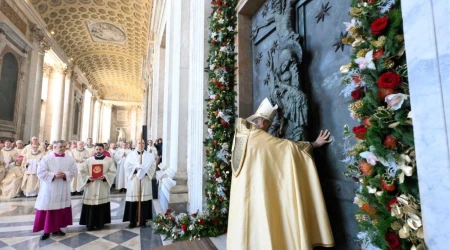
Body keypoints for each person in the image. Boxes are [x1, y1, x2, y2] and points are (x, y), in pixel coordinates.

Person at [227, 98, 334, 249]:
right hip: (256, 194)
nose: (269, 130)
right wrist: (315, 144)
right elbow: (287, 148)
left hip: (243, 196)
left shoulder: (241, 135)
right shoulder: (259, 138)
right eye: (269, 126)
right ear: (263, 122)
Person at [33, 140, 77, 240]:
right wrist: (53, 175)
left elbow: (74, 171)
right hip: (50, 187)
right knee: (48, 208)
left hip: (62, 186)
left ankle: (57, 228)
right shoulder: (47, 158)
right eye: (60, 146)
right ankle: (46, 230)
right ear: (54, 147)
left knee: (59, 208)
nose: (62, 148)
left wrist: (65, 174)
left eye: (64, 146)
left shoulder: (69, 159)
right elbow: (40, 172)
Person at [79, 143, 116, 230]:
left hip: (102, 184)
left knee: (101, 203)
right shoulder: (89, 160)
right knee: (91, 203)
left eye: (100, 149)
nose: (98, 151)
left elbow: (113, 172)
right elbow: (82, 171)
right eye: (97, 149)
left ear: (103, 149)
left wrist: (105, 177)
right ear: (94, 150)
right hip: (91, 184)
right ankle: (90, 223)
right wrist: (88, 177)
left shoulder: (109, 160)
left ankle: (100, 223)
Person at [123, 139, 156, 228]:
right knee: (133, 200)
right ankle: (132, 221)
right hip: (134, 180)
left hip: (145, 180)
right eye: (139, 143)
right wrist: (135, 169)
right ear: (136, 144)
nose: (141, 144)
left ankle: (143, 220)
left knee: (144, 200)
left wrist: (145, 171)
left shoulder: (149, 156)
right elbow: (126, 166)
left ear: (145, 144)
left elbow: (153, 166)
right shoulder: (130, 155)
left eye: (142, 143)